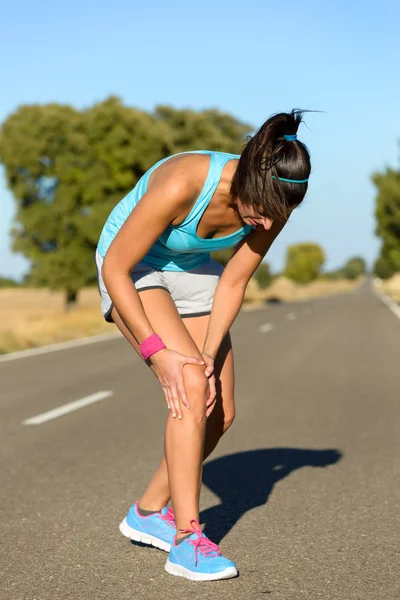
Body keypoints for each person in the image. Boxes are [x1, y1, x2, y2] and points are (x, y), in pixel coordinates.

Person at [95, 109, 311, 581]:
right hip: (132, 266)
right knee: (188, 382)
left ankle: (149, 511)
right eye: (261, 210)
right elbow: (115, 267)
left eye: (278, 215)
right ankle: (187, 538)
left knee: (220, 408)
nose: (265, 222)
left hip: (192, 271)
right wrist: (160, 353)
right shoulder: (183, 183)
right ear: (249, 175)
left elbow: (233, 281)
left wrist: (209, 354)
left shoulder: (273, 202)